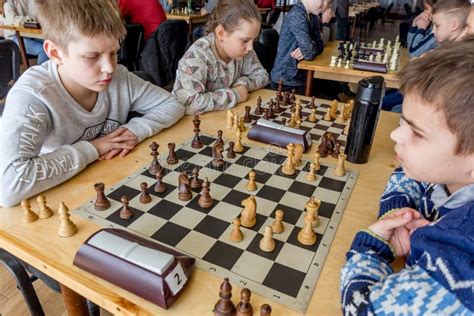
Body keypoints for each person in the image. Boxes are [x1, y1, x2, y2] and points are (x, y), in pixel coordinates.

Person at [0, 0, 185, 207]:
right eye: (92, 56)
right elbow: (8, 186)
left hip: (110, 183)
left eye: (114, 53)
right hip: (53, 196)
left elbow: (173, 105)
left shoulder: (120, 78)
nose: (110, 68)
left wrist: (135, 130)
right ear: (55, 53)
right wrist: (94, 148)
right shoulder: (32, 97)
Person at [340, 38, 474, 314]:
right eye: (403, 123)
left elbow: (362, 308)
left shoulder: (458, 258)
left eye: (418, 133)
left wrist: (369, 248)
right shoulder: (453, 176)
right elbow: (412, 172)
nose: (395, 134)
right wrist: (397, 209)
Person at [173, 0, 269, 115]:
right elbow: (189, 103)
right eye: (245, 40)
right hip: (190, 126)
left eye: (254, 40)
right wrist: (236, 94)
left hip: (220, 118)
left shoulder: (244, 51)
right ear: (221, 34)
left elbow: (262, 76)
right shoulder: (197, 56)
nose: (250, 47)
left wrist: (242, 83)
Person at [270, 0, 333, 94]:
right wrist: (308, 48)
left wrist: (310, 46)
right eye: (322, 0)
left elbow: (320, 46)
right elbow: (309, 53)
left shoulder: (313, 16)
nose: (325, 5)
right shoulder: (297, 15)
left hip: (300, 77)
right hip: (285, 80)